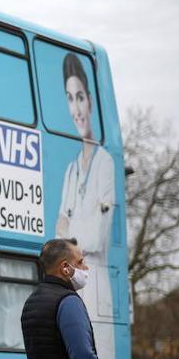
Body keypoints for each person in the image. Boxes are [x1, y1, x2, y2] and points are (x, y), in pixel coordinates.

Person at [55, 52, 115, 323]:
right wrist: (75, 234)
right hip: (74, 289)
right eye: (70, 98)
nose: (76, 109)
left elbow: (97, 237)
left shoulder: (106, 164)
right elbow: (58, 233)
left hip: (97, 289)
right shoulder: (71, 170)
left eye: (80, 97)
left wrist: (71, 232)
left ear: (90, 101)